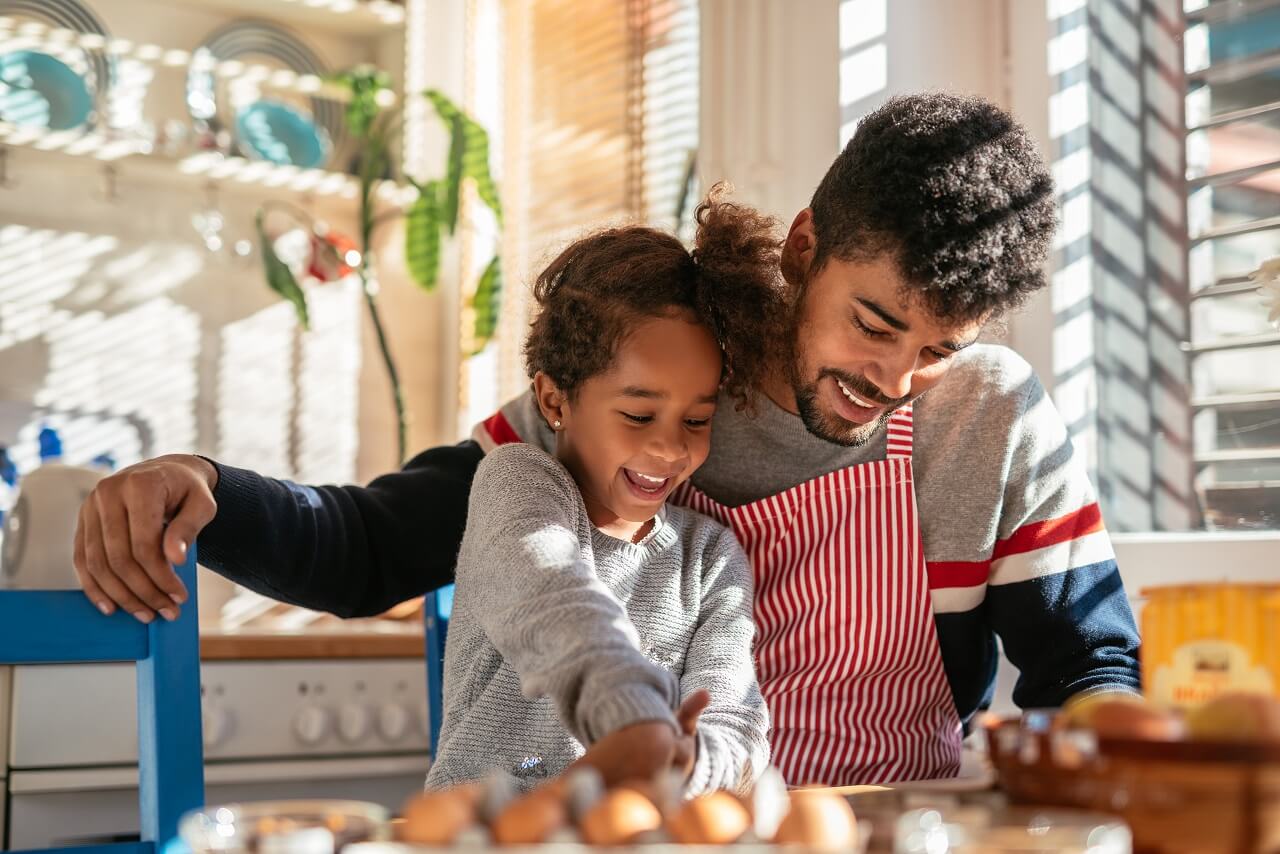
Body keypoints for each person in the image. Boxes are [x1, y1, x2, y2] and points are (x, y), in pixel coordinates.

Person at [74, 93, 1141, 787]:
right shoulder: (649, 391)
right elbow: (371, 545)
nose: (892, 383)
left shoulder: (993, 416)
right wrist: (202, 482)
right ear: (805, 245)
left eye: (936, 350)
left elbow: (1087, 663)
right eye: (872, 323)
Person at [427, 188, 774, 794]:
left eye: (696, 420)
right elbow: (558, 602)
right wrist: (632, 716)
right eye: (639, 417)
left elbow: (736, 719)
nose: (670, 450)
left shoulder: (711, 558)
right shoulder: (515, 484)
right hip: (491, 833)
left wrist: (691, 760)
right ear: (555, 399)